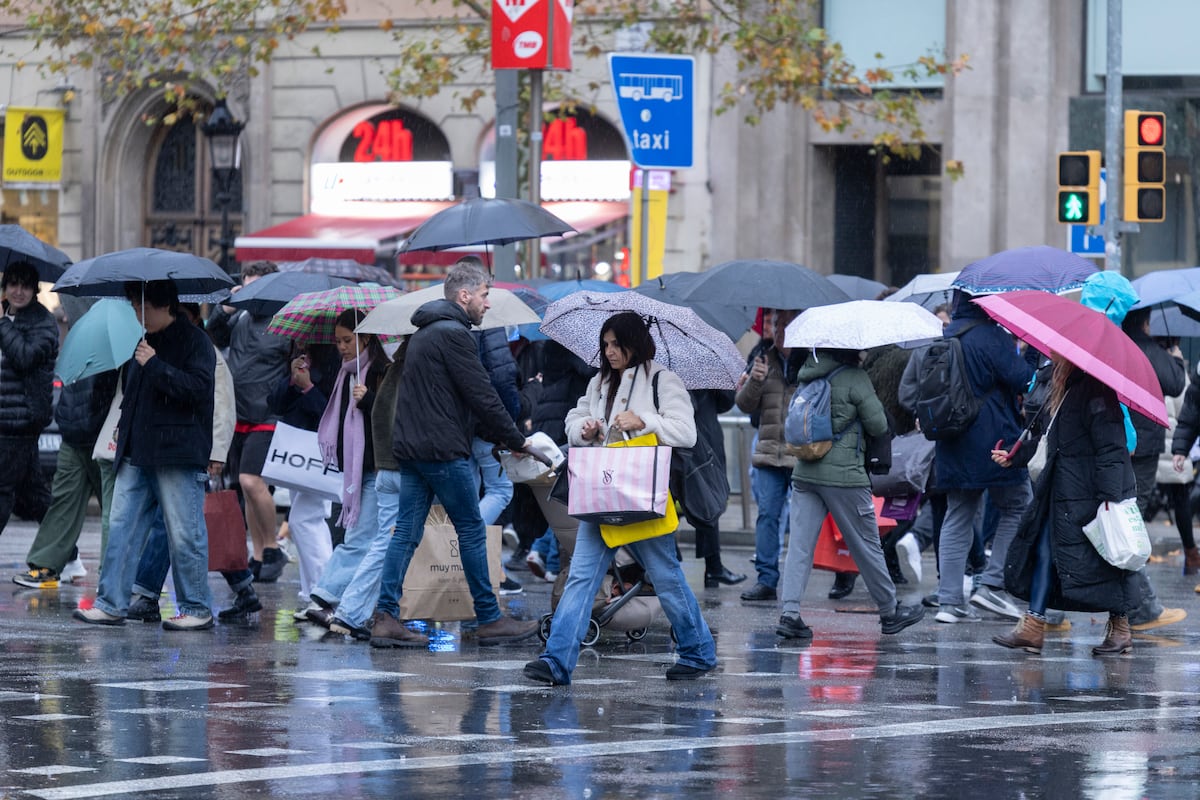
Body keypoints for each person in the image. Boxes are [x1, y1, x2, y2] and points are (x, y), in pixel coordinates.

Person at [524, 311, 717, 685]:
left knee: (665, 575)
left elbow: (686, 432)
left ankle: (698, 650)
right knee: (581, 576)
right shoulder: (598, 382)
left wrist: (644, 420)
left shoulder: (662, 379)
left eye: (617, 344)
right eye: (606, 345)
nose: (610, 352)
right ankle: (557, 660)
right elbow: (574, 418)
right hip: (603, 493)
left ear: (635, 344)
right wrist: (585, 427)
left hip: (643, 496)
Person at [353, 261, 537, 645]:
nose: (487, 304)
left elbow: (458, 399)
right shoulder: (454, 335)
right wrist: (515, 437)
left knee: (406, 532)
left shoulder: (423, 334)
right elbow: (481, 393)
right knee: (470, 528)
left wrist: (495, 431)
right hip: (440, 449)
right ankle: (488, 618)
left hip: (413, 447)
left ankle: (386, 617)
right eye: (485, 295)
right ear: (464, 295)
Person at [74, 279, 216, 630]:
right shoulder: (142, 341)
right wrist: (124, 428)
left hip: (178, 453)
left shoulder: (196, 341)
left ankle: (196, 607)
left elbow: (198, 390)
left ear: (164, 305)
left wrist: (155, 365)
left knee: (184, 532)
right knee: (121, 527)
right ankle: (111, 603)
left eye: (142, 307)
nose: (138, 314)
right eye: (135, 307)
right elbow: (132, 394)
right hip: (137, 451)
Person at [992, 356, 1142, 656]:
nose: (1052, 357)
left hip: (1089, 493)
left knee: (1109, 557)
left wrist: (1110, 498)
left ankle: (1121, 626)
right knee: (1045, 551)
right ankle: (1033, 626)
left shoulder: (1097, 390)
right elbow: (1053, 442)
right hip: (1063, 491)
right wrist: (1014, 456)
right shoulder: (1065, 387)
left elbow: (1112, 448)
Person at [775, 347, 925, 641]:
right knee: (867, 545)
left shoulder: (807, 375)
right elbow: (878, 424)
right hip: (844, 477)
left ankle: (789, 614)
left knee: (799, 547)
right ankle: (889, 611)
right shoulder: (854, 377)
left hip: (805, 472)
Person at [123, 302, 256, 623]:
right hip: (175, 450)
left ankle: (147, 592)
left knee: (183, 525)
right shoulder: (170, 347)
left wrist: (216, 453)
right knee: (191, 525)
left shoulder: (201, 348)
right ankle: (243, 587)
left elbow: (221, 404)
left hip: (196, 450)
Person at [920, 291, 1034, 624]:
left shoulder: (946, 334)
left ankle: (950, 601)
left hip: (953, 439)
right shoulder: (990, 335)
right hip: (992, 439)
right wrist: (1033, 351)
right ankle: (993, 584)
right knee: (1019, 504)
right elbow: (1023, 379)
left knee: (958, 513)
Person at [301, 309, 389, 633]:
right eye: (338, 341)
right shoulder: (345, 374)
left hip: (378, 469)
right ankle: (342, 603)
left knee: (367, 539)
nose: (341, 347)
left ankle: (332, 598)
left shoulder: (381, 369)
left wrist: (369, 401)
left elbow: (390, 416)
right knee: (362, 538)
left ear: (365, 337)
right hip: (357, 472)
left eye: (346, 340)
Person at [206, 260, 292, 581]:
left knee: (250, 480)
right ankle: (257, 555)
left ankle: (272, 547)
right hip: (238, 412)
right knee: (246, 488)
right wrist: (225, 307)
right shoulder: (240, 316)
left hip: (268, 413)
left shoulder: (285, 321)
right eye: (247, 286)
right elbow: (213, 333)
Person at [13, 367, 118, 588]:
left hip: (104, 433)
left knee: (117, 510)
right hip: (75, 432)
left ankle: (120, 577)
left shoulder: (123, 343)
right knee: (64, 501)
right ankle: (46, 564)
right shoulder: (82, 338)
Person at [735, 308, 800, 602]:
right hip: (769, 453)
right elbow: (745, 405)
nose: (779, 329)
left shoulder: (812, 359)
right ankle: (766, 580)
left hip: (803, 456)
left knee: (804, 522)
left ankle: (800, 582)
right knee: (767, 516)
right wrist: (755, 381)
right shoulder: (762, 357)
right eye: (776, 323)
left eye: (785, 324)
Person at [271, 341, 339, 618]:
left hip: (317, 452)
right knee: (306, 523)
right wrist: (292, 378)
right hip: (296, 451)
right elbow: (275, 403)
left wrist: (309, 386)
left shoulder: (332, 363)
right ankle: (314, 593)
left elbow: (329, 413)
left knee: (305, 521)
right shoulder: (296, 360)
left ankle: (325, 595)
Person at [0, 261, 58, 535]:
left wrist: (2, 324)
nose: (18, 291)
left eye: (25, 286)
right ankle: (68, 556)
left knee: (2, 490)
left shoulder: (43, 321)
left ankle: (65, 554)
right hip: (6, 419)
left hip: (19, 421)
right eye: (13, 284)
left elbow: (25, 357)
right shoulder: (5, 317)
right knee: (34, 496)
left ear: (34, 290)